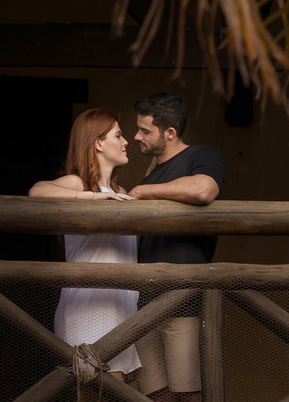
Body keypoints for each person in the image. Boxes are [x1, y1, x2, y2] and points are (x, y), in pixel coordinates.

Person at [28, 108, 141, 382]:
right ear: (98, 143)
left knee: (116, 391)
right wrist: (91, 198)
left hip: (121, 310)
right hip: (88, 308)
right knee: (99, 391)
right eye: (118, 135)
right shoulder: (76, 183)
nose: (126, 142)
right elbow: (37, 191)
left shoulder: (121, 193)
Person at [128, 92, 225, 402]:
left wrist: (145, 191)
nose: (136, 136)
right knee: (156, 395)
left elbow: (204, 189)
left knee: (188, 395)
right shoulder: (153, 168)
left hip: (183, 300)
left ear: (169, 132)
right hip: (145, 300)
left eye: (145, 130)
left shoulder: (202, 155)